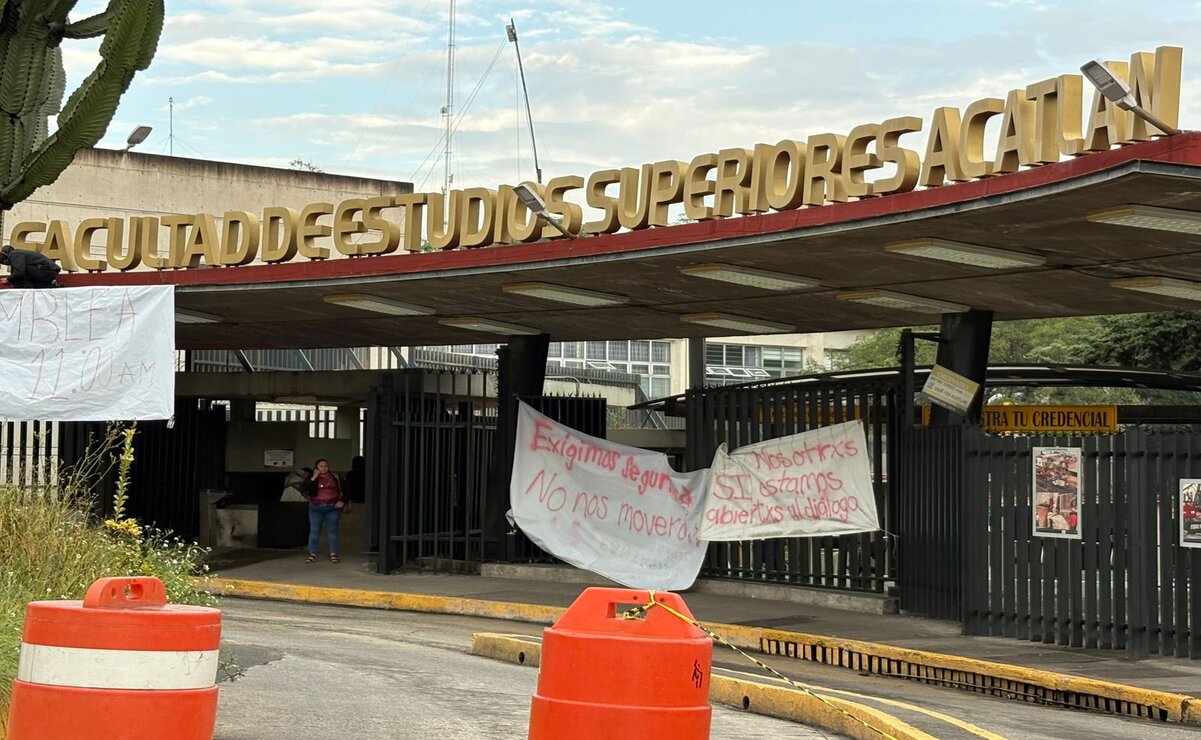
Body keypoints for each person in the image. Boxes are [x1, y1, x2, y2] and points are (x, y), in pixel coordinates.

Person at [306, 458, 349, 564]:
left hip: (332, 507)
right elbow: (304, 488)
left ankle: (333, 553)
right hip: (316, 507)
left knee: (332, 531)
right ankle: (312, 554)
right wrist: (314, 477)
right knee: (314, 530)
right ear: (316, 468)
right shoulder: (312, 477)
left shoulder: (335, 476)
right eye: (320, 466)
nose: (323, 468)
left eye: (325, 466)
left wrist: (342, 501)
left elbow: (346, 489)